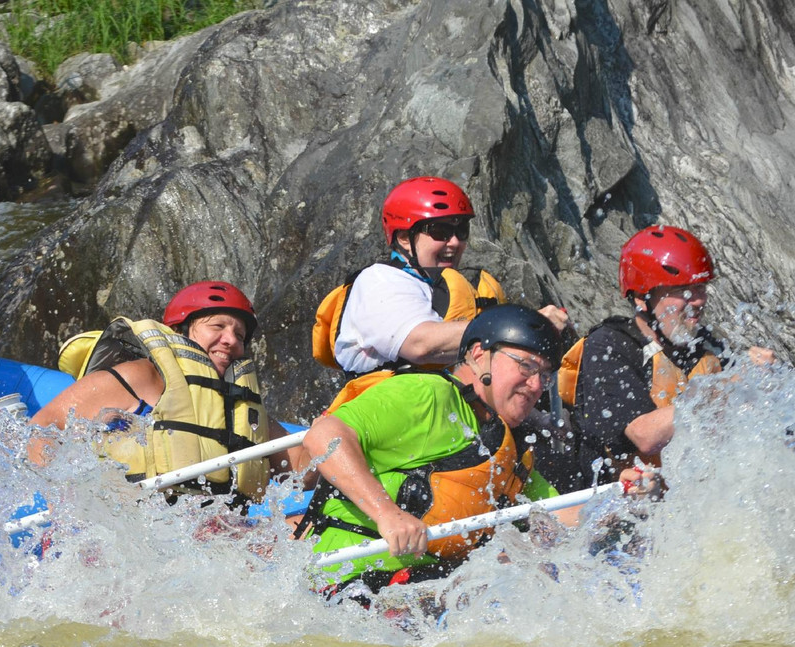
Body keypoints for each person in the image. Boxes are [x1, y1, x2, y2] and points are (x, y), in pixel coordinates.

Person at [299, 304, 572, 603]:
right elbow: (323, 436)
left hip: (429, 588)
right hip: (347, 583)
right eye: (526, 366)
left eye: (544, 376)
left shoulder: (509, 449)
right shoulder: (428, 395)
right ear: (480, 354)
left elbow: (563, 516)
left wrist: (621, 502)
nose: (536, 386)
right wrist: (388, 514)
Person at [29, 281, 311, 502]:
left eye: (240, 336)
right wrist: (64, 497)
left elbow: (303, 470)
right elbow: (44, 426)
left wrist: (336, 424)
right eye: (218, 326)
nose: (231, 341)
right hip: (134, 525)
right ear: (180, 330)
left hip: (214, 538)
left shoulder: (244, 409)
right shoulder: (141, 375)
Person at [312, 175, 569, 408]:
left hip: (443, 417)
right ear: (403, 238)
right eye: (440, 231)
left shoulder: (447, 289)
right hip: (386, 421)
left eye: (461, 231)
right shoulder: (380, 281)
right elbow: (421, 344)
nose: (455, 242)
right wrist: (525, 326)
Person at [560, 225, 774, 486]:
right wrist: (727, 386)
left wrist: (762, 382)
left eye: (701, 288)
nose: (698, 301)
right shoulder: (609, 346)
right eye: (683, 290)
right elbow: (645, 435)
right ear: (641, 297)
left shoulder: (704, 345)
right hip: (621, 506)